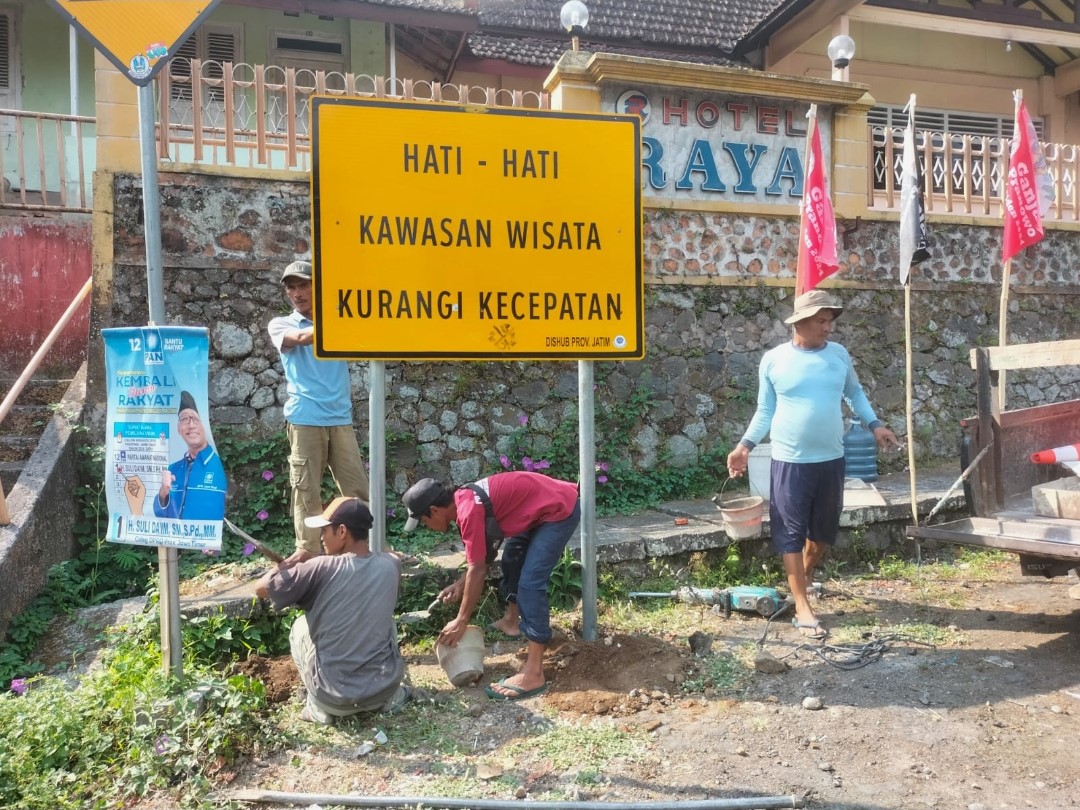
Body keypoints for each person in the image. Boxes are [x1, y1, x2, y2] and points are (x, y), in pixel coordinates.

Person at [725, 289, 900, 640]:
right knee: (790, 533)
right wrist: (744, 446)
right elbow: (765, 410)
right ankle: (802, 606)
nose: (828, 327)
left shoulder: (838, 356)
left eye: (830, 321)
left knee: (821, 535)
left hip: (831, 460)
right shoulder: (774, 360)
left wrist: (875, 424)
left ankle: (797, 586)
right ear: (799, 322)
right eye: (821, 321)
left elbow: (855, 393)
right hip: (790, 461)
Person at [402, 472, 580, 701]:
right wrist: (460, 583)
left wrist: (461, 621)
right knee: (512, 558)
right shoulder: (463, 501)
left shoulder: (468, 511)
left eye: (424, 522)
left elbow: (478, 570)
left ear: (435, 510)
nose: (427, 527)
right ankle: (512, 622)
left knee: (531, 584)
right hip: (541, 508)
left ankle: (534, 673)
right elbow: (483, 558)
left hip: (558, 508)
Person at [255, 497, 409, 725]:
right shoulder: (392, 564)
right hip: (383, 693)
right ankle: (391, 698)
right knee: (387, 620)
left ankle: (316, 707)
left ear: (342, 531)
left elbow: (259, 589)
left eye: (325, 530)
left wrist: (286, 565)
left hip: (332, 699)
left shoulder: (318, 568)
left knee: (299, 627)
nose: (321, 538)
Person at [268, 260, 369, 562]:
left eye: (303, 285)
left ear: (317, 287)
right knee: (306, 489)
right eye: (291, 288)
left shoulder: (338, 320)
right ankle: (307, 550)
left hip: (340, 417)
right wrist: (342, 317)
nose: (297, 293)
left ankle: (367, 545)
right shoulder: (281, 324)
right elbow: (299, 340)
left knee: (356, 489)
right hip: (305, 417)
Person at [154, 390, 227, 520]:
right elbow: (161, 517)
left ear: (205, 425)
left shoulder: (221, 464)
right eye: (185, 419)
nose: (191, 425)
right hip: (175, 539)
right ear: (178, 428)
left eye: (196, 419)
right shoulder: (173, 469)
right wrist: (163, 493)